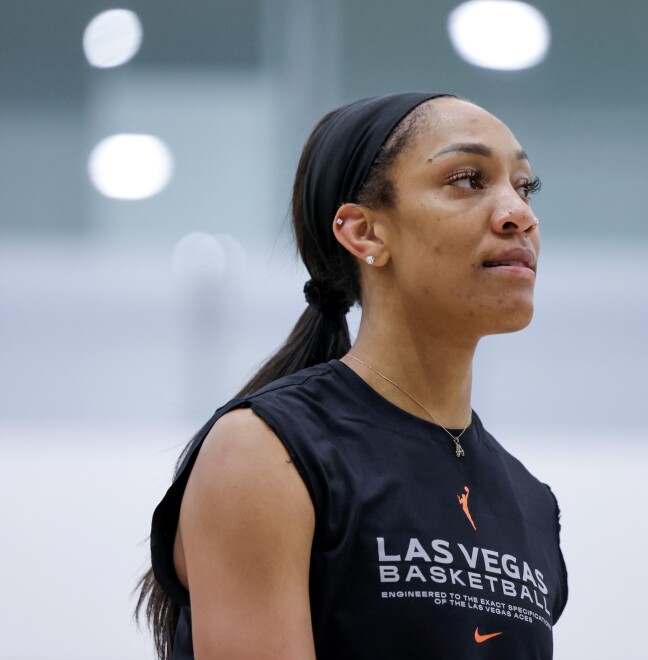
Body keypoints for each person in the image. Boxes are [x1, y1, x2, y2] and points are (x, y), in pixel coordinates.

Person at [137, 92, 568, 659]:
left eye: (525, 186)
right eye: (467, 178)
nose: (520, 214)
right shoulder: (266, 450)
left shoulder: (531, 502)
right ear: (364, 233)